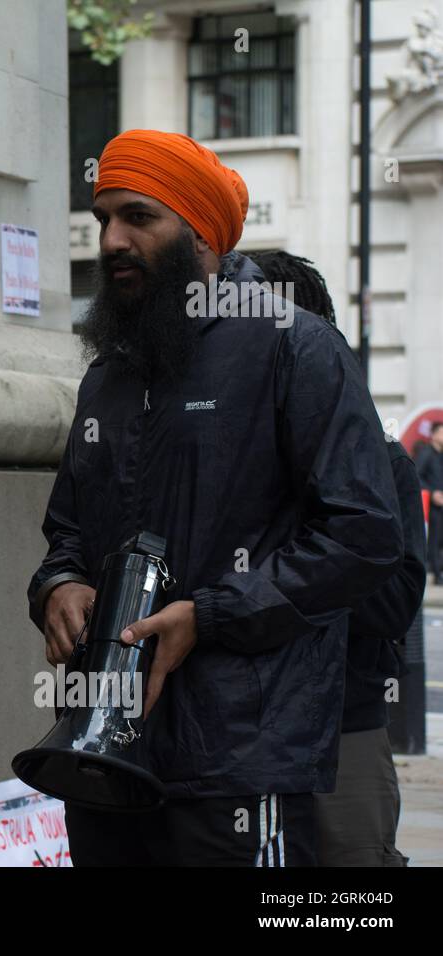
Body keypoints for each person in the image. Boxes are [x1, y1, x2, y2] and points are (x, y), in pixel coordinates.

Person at [27, 130, 403, 866]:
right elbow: (67, 529)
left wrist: (212, 616)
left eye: (138, 217)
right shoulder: (107, 375)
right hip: (103, 757)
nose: (111, 240)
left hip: (240, 757)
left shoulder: (296, 347)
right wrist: (60, 583)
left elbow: (364, 535)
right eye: (103, 218)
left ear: (200, 231)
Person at [252, 250, 423, 865]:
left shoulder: (378, 461)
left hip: (343, 729)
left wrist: (327, 527)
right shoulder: (220, 455)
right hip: (227, 734)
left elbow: (394, 604)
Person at [415, 422, 443, 584]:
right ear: (434, 435)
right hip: (432, 507)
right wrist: (432, 494)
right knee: (433, 539)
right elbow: (416, 476)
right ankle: (436, 573)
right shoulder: (426, 453)